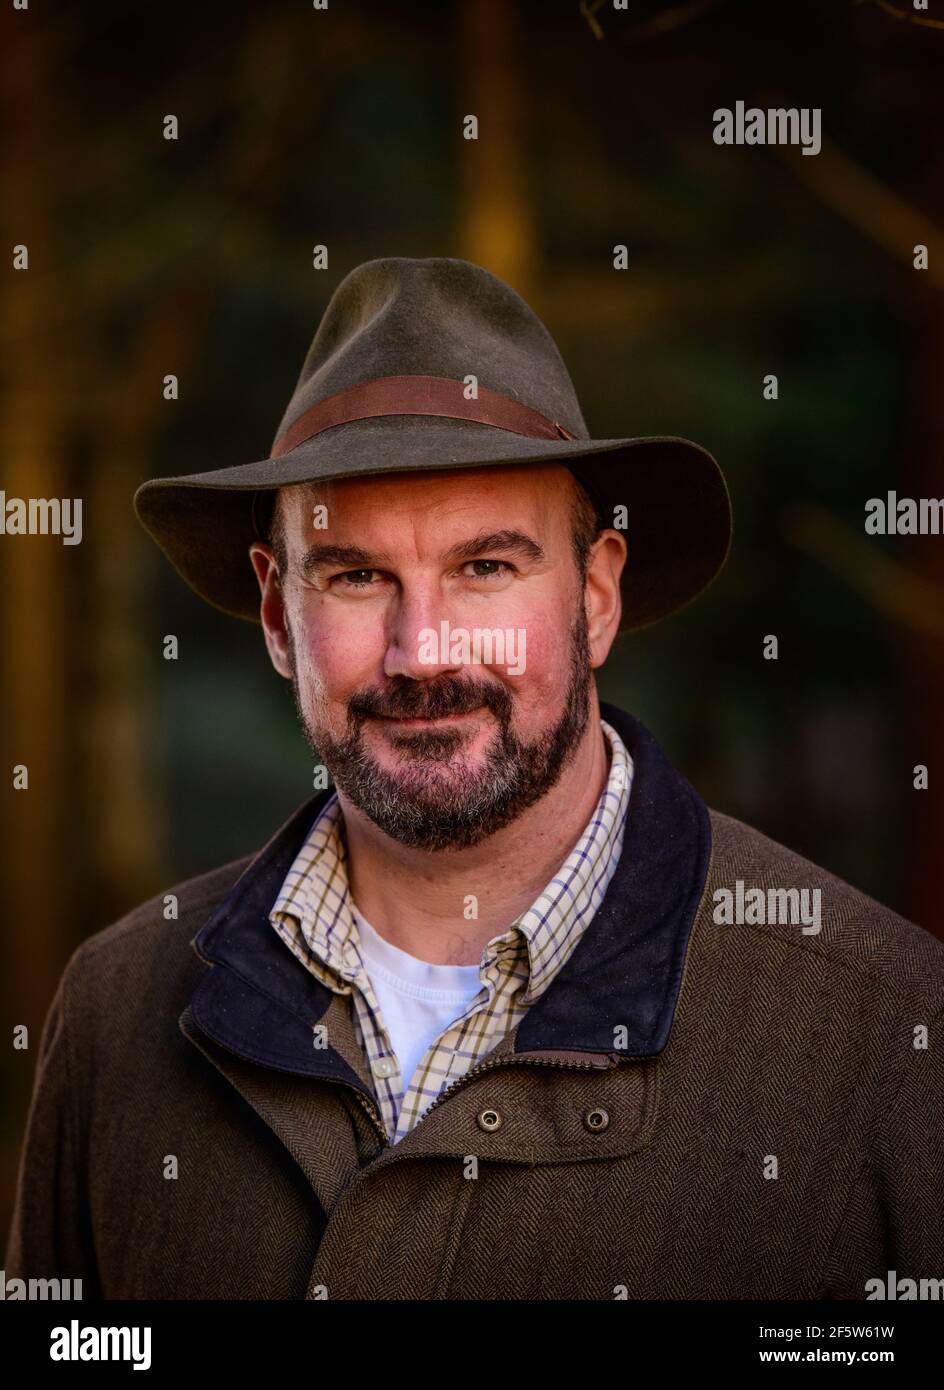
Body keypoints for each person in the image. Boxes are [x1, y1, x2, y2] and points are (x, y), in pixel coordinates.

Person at [6, 257, 943, 1300]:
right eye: (356, 575)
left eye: (484, 568)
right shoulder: (116, 1012)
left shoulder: (885, 1036)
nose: (419, 653)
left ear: (593, 596)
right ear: (277, 612)